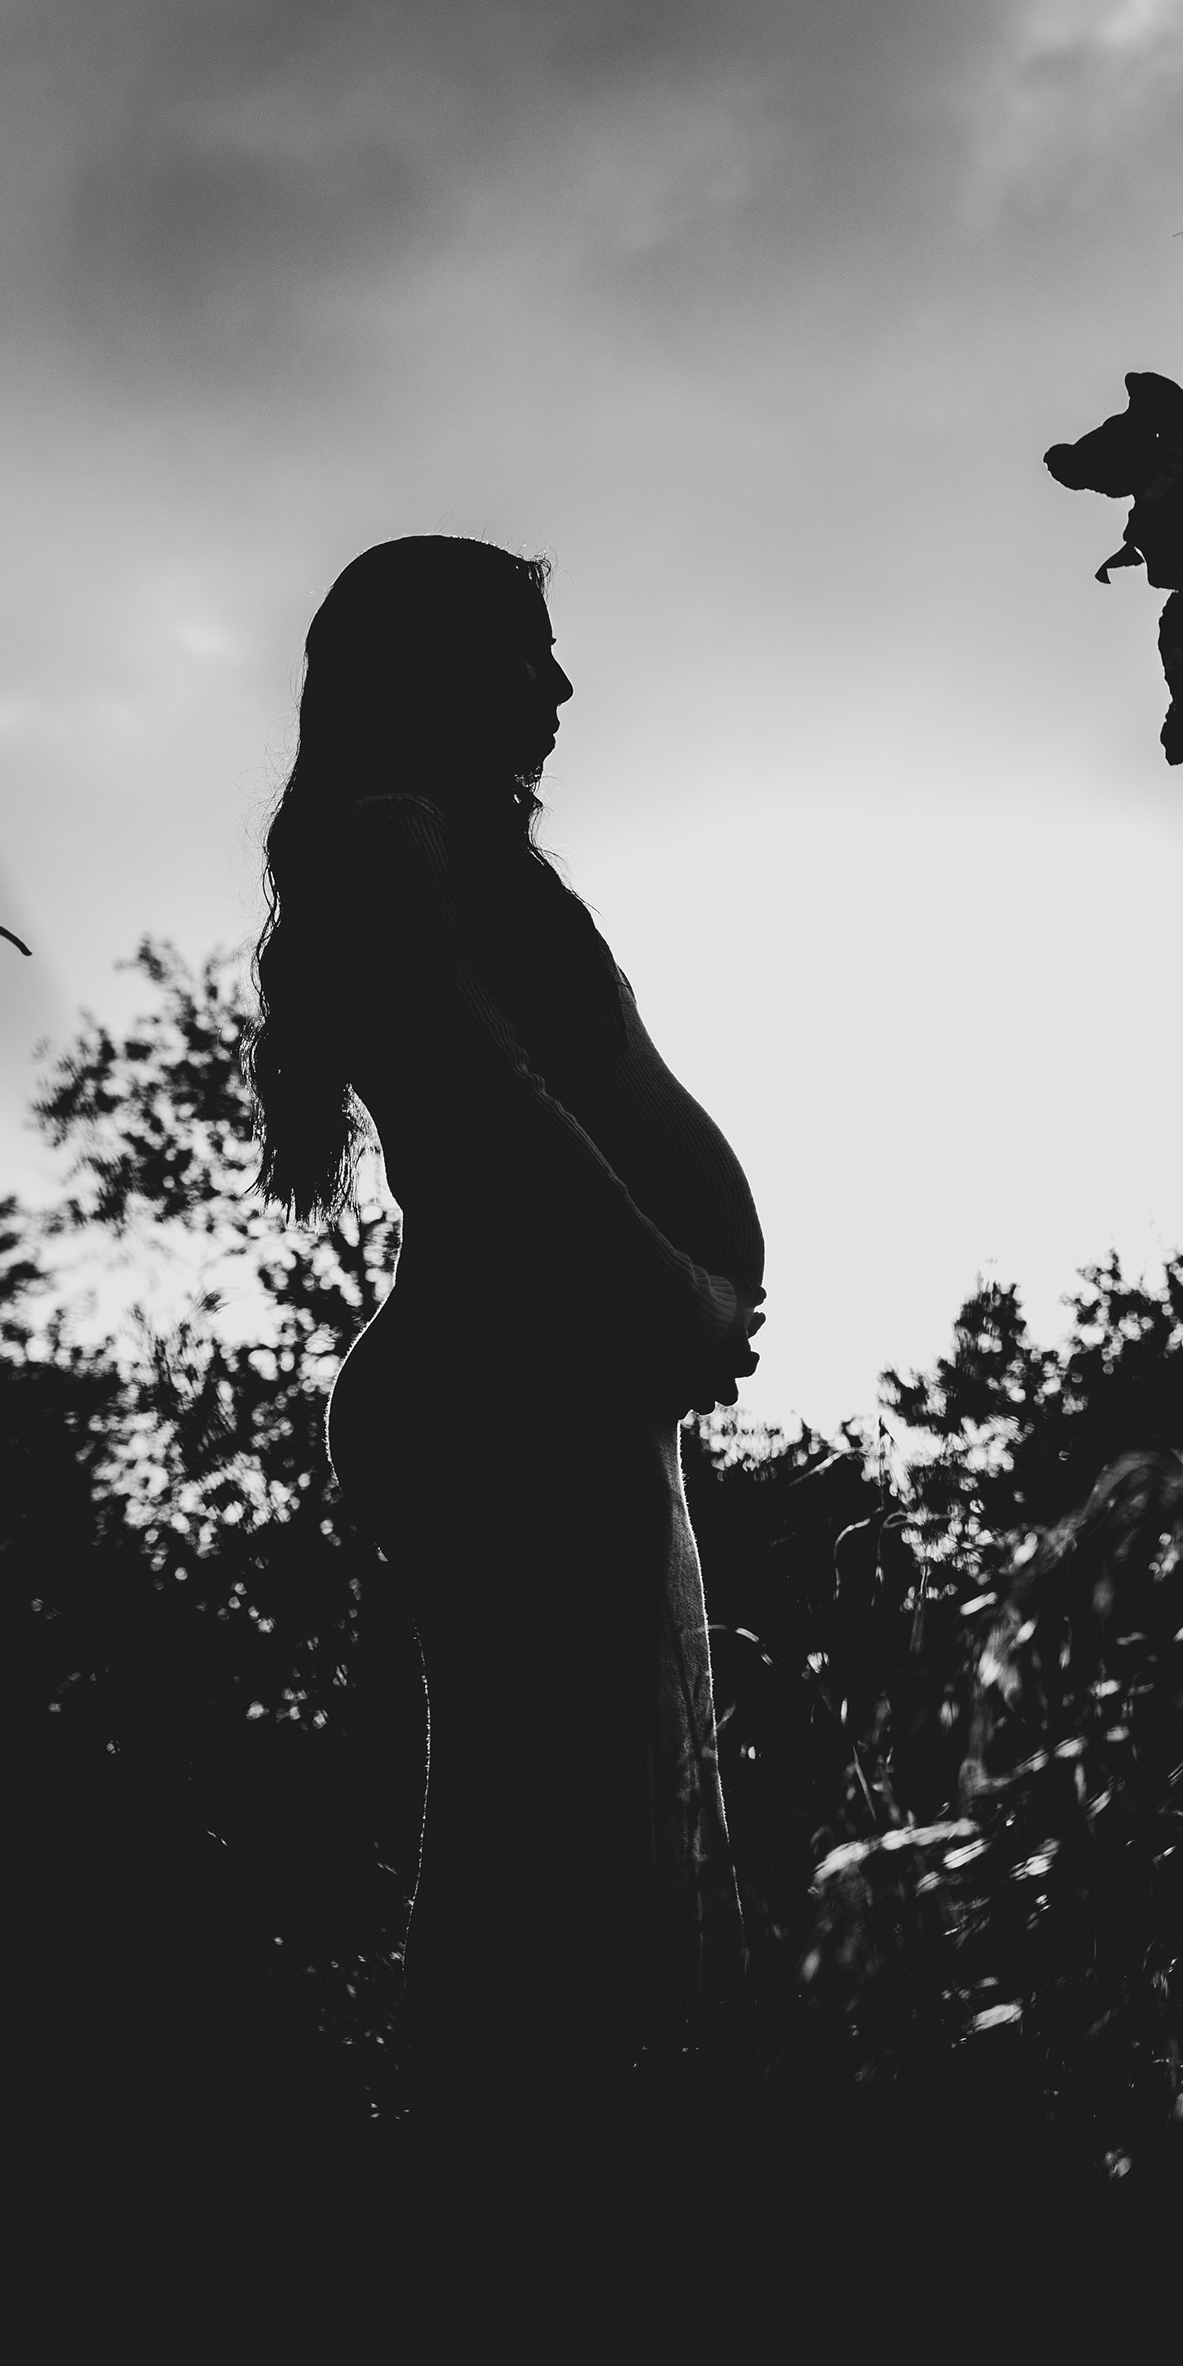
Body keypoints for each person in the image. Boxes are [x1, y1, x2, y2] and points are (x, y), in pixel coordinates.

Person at [248, 534, 764, 2225]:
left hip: (550, 1384)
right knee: (553, 1859)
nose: (558, 687)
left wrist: (678, 1302)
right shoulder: (392, 844)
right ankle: (520, 2230)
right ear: (431, 674)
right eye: (522, 654)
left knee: (583, 1838)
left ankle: (548, 2208)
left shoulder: (451, 851)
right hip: (507, 1395)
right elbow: (488, 1114)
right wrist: (674, 1291)